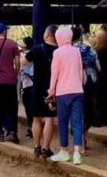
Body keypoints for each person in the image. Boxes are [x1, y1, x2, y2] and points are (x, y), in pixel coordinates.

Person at [48, 26, 85, 165]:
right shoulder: (76, 51)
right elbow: (80, 72)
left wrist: (51, 90)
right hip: (77, 90)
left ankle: (64, 151)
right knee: (76, 122)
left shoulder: (57, 53)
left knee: (63, 122)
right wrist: (79, 85)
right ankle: (77, 153)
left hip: (62, 92)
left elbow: (54, 74)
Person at [25, 25, 58, 159]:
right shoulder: (58, 51)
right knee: (49, 118)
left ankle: (37, 146)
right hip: (52, 88)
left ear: (47, 34)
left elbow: (23, 62)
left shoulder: (37, 48)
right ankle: (46, 148)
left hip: (37, 87)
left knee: (36, 118)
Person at [74, 27, 100, 152]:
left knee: (77, 112)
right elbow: (99, 67)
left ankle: (79, 142)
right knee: (89, 111)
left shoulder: (69, 51)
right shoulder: (92, 50)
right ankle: (83, 138)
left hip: (75, 83)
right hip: (90, 82)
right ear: (81, 36)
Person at [20, 36, 35, 139]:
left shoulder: (25, 56)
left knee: (29, 109)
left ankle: (32, 128)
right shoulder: (35, 54)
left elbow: (20, 68)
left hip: (27, 84)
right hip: (35, 84)